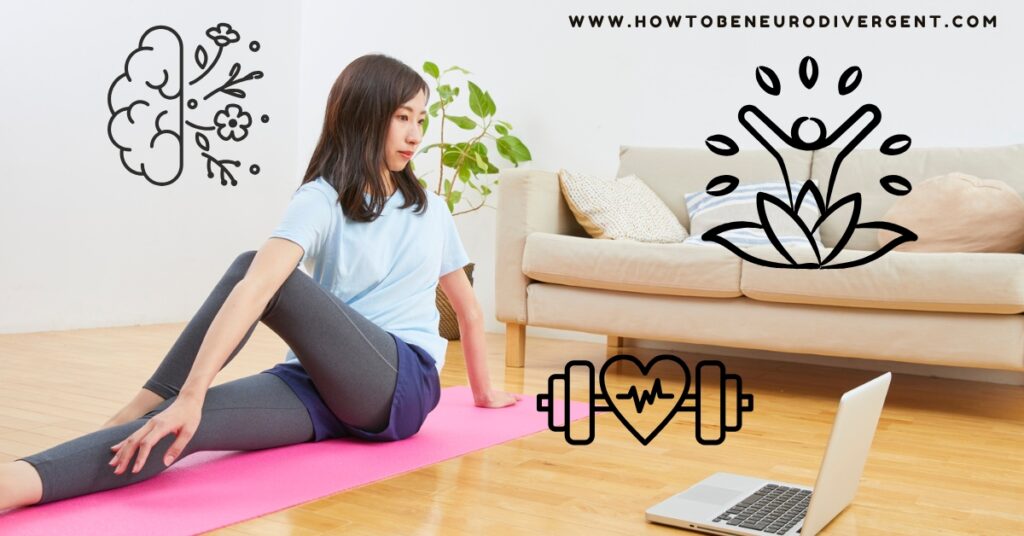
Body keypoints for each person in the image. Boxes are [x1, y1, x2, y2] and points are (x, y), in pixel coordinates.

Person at [0, 53, 520, 510]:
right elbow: (254, 288)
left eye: (420, 119)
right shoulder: (322, 199)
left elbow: (468, 310)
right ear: (364, 116)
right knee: (177, 426)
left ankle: (149, 398)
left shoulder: (431, 209)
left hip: (399, 384)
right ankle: (19, 482)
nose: (415, 134)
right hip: (317, 384)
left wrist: (484, 394)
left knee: (260, 270)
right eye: (402, 117)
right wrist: (189, 402)